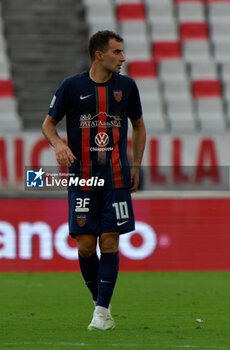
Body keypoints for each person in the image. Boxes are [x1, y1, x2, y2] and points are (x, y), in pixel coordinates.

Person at [42, 30, 146, 331]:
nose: (123, 58)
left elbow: (139, 126)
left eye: (122, 52)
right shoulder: (72, 87)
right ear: (100, 55)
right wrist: (59, 144)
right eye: (117, 52)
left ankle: (100, 314)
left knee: (110, 240)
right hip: (82, 180)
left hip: (115, 178)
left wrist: (136, 165)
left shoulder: (127, 87)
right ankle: (102, 302)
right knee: (86, 246)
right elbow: (48, 125)